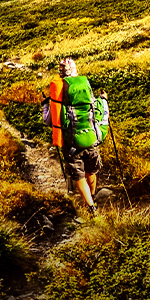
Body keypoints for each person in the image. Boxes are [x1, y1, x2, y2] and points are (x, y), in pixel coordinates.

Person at [43, 57, 106, 217]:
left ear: (61, 72)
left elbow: (49, 121)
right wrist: (103, 99)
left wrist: (45, 105)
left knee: (79, 175)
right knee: (91, 171)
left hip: (71, 145)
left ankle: (91, 208)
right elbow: (98, 112)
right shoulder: (86, 89)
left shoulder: (58, 94)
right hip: (91, 140)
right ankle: (92, 198)